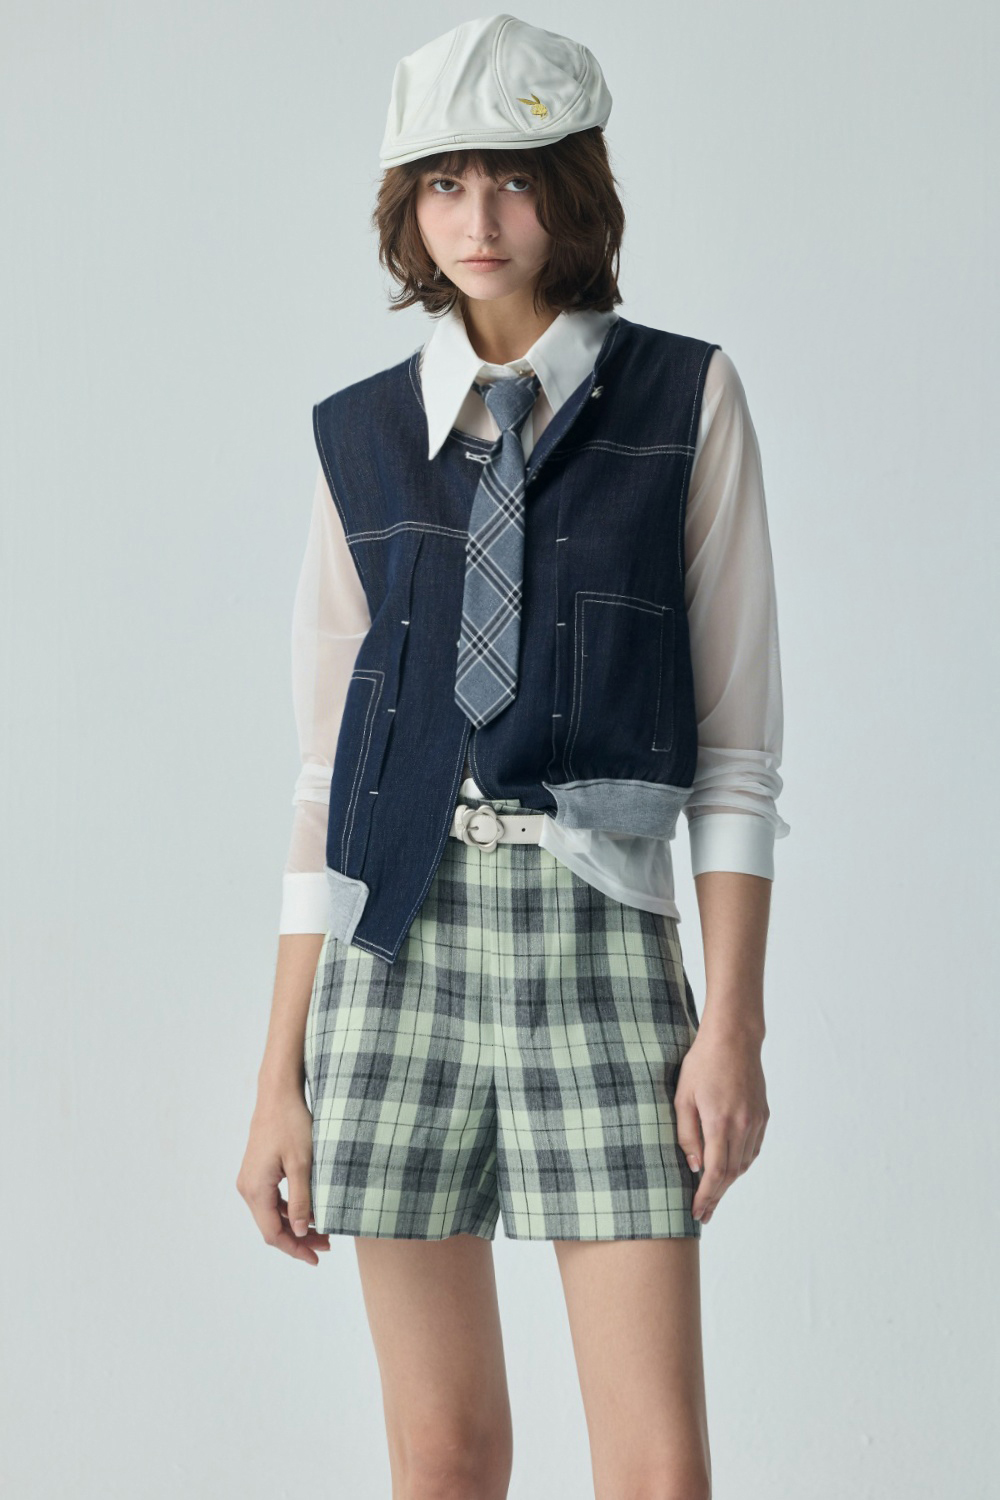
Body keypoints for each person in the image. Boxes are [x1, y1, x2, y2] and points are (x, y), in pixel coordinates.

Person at [238, 14, 789, 1497]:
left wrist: (731, 1026)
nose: (478, 218)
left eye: (515, 179)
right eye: (444, 183)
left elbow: (738, 758)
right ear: (407, 207)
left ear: (575, 191)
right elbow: (324, 776)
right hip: (394, 952)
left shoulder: (683, 402)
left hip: (599, 935)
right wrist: (277, 1073)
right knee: (444, 1453)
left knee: (655, 1467)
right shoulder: (361, 438)